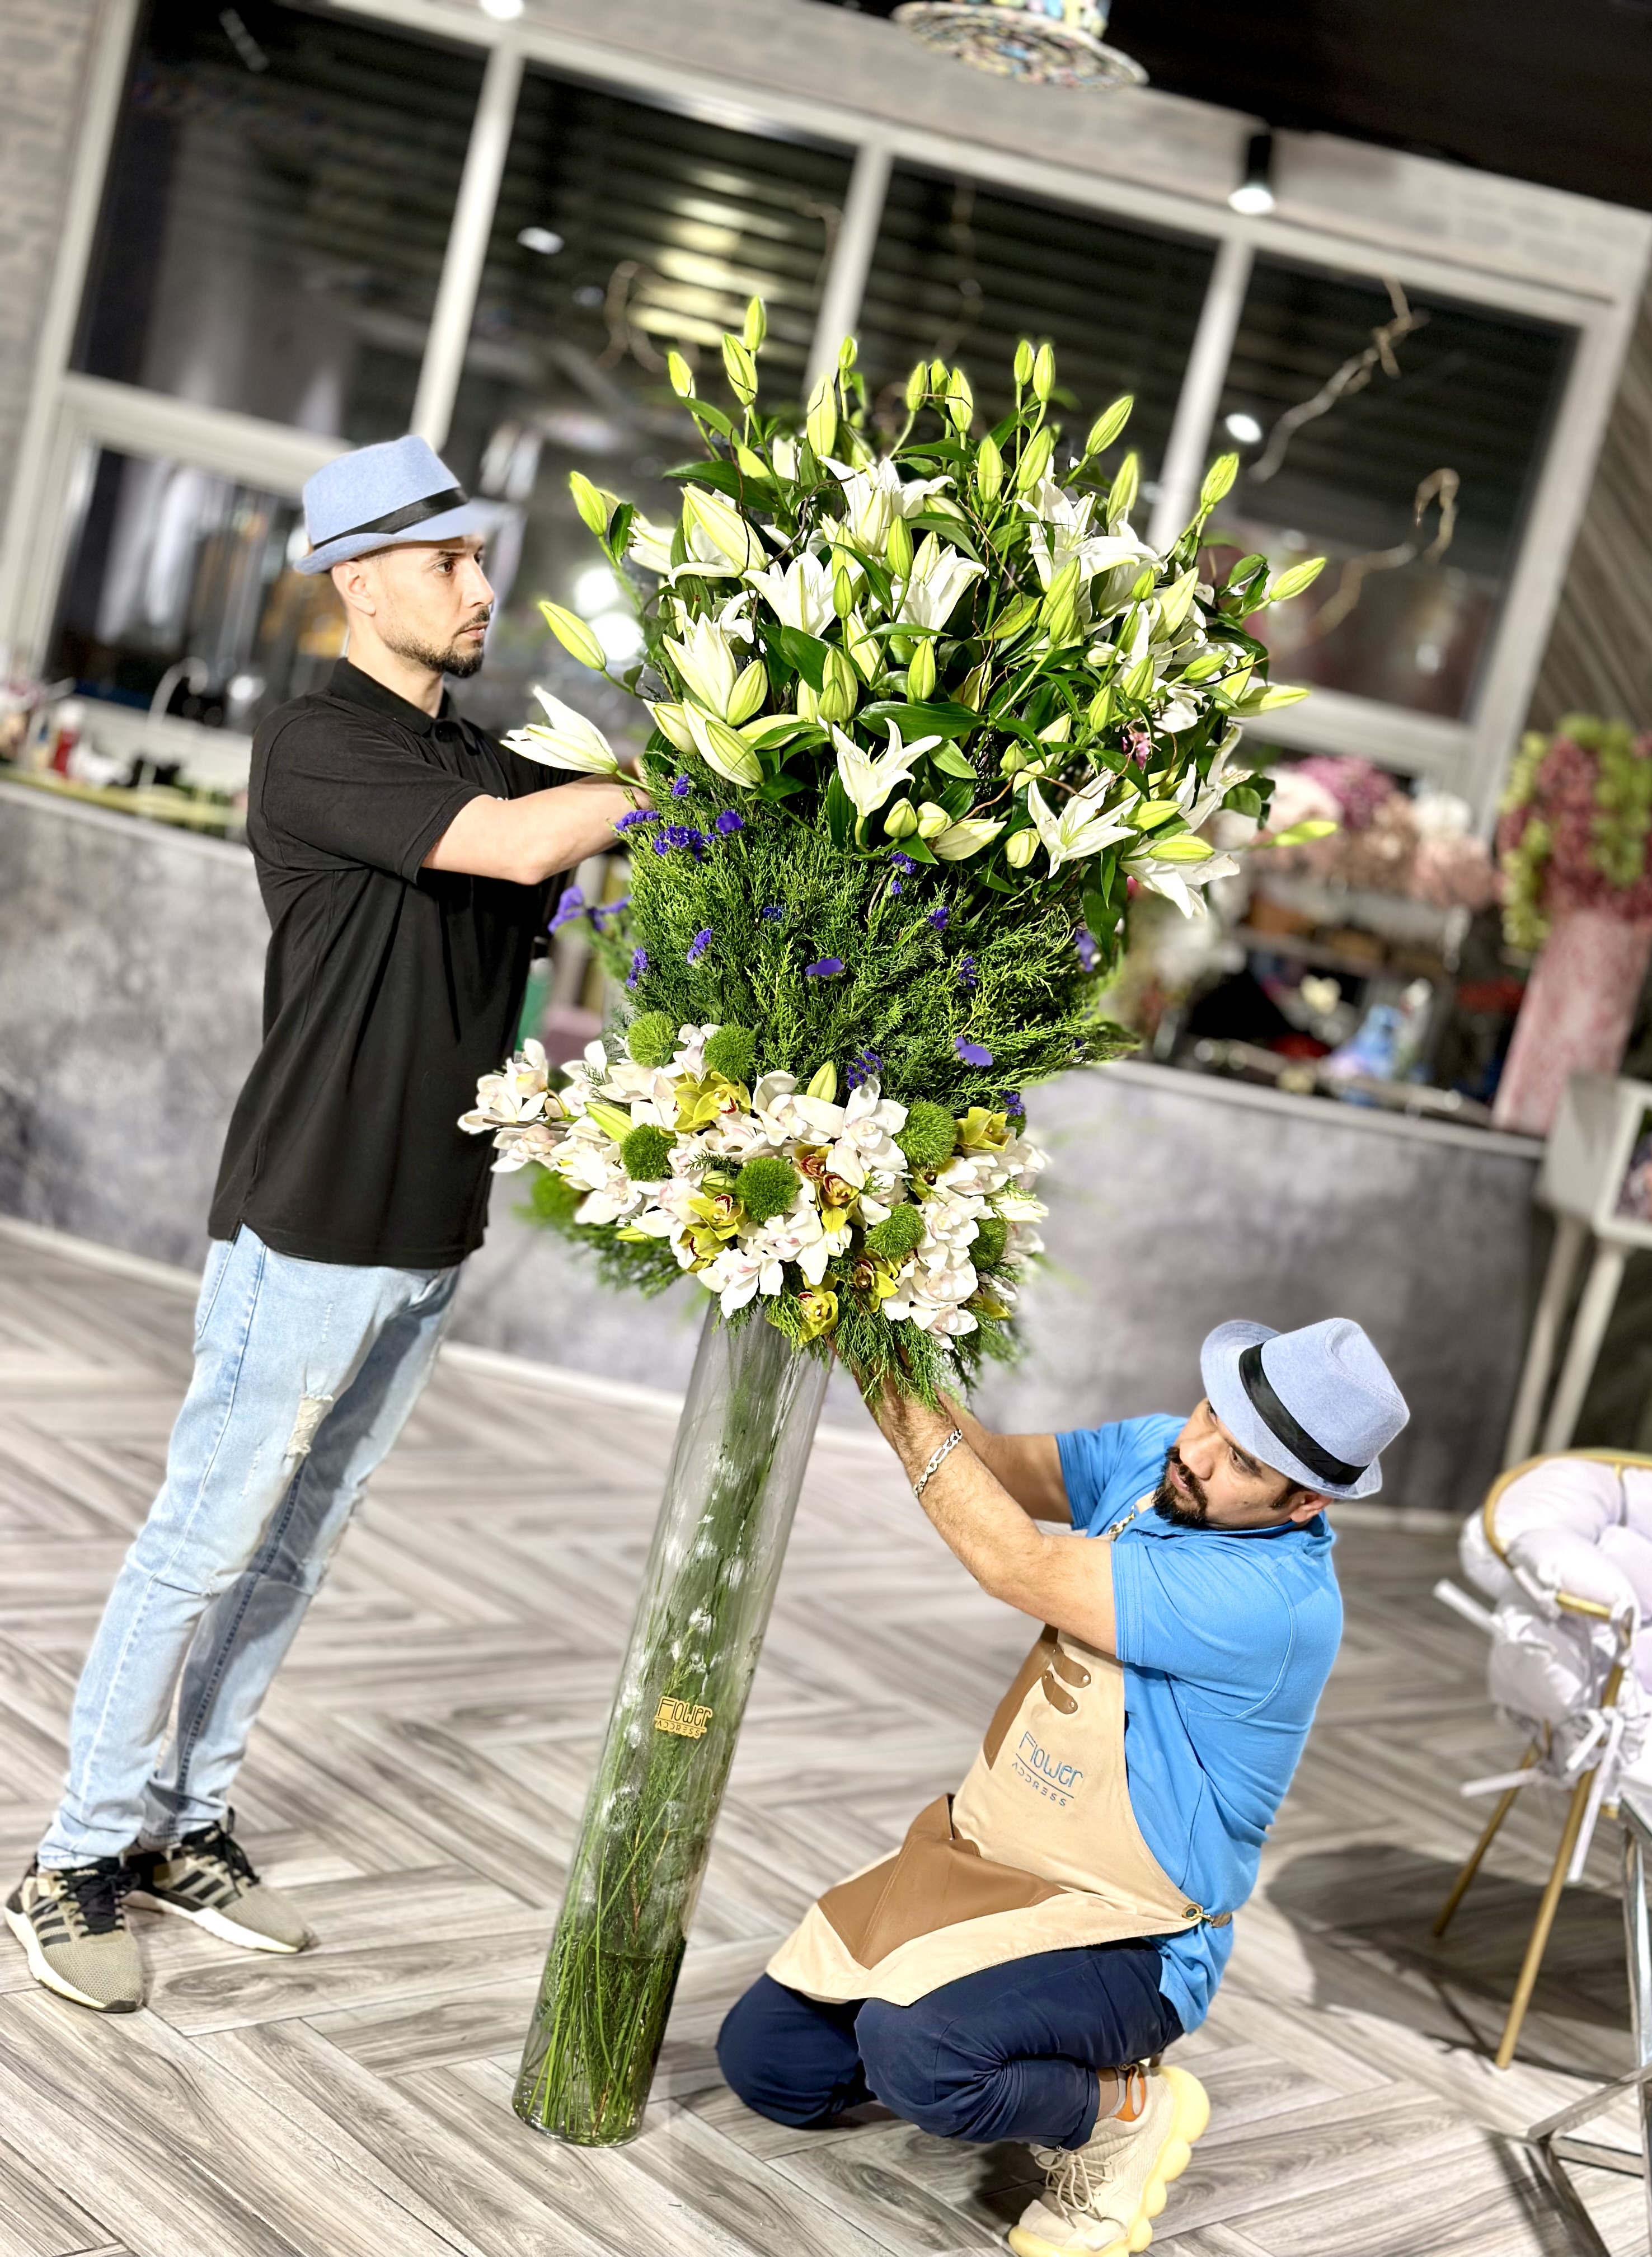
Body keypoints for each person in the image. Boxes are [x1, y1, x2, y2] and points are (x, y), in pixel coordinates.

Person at [6, 436, 641, 2014]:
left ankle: (185, 1821)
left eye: (481, 558)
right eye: (449, 562)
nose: (480, 587)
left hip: (429, 1225)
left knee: (296, 1548)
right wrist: (683, 774)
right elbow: (525, 844)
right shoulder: (316, 745)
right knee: (203, 1542)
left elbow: (561, 835)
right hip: (308, 1217)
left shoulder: (476, 750)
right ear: (359, 582)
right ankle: (72, 1857)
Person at [719, 1317, 1409, 2257]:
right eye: (1211, 1413)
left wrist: (866, 1348)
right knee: (769, 2067)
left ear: (1306, 1504)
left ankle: (1122, 2115)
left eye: (1243, 1463)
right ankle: (985, 2032)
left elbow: (1016, 1561)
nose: (1197, 1453)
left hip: (1132, 1930)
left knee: (919, 2051)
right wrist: (877, 1314)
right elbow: (989, 1466)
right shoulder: (1165, 1456)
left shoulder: (1271, 1605)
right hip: (987, 1859)